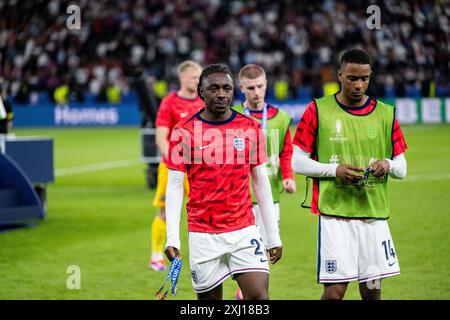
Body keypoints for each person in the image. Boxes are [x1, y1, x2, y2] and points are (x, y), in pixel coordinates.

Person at [292, 48, 408, 300]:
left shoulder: (386, 114)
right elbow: (297, 162)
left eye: (364, 78)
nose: (359, 84)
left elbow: (402, 167)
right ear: (339, 75)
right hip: (335, 215)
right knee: (334, 293)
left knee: (372, 293)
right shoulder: (317, 110)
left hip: (374, 215)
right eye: (352, 78)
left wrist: (387, 163)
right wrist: (335, 170)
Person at [164, 64, 282, 300]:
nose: (221, 94)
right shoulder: (184, 132)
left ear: (232, 92)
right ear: (201, 91)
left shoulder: (250, 128)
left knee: (260, 298)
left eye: (227, 88)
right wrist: (172, 236)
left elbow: (260, 182)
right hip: (203, 234)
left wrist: (273, 236)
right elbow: (175, 187)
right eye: (214, 88)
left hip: (244, 231)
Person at [233, 64, 295, 299]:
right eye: (250, 88)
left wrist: (288, 177)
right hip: (241, 195)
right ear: (241, 88)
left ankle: (248, 293)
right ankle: (246, 291)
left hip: (271, 197)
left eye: (260, 86)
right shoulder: (234, 116)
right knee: (243, 247)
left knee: (267, 246)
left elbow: (286, 152)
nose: (256, 92)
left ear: (266, 84)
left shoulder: (281, 119)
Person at [149, 60, 204, 271]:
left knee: (201, 210)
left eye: (199, 78)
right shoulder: (169, 102)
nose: (197, 81)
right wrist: (175, 162)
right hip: (172, 168)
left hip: (199, 169)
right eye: (193, 77)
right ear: (182, 77)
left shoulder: (202, 101)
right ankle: (156, 256)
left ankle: (201, 254)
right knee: (164, 211)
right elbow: (161, 137)